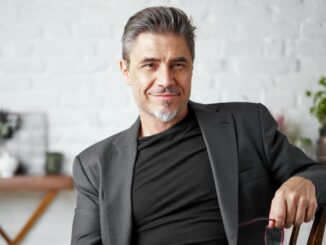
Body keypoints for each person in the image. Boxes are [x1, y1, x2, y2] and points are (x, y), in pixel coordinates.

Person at [71, 6, 326, 245]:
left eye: (178, 65)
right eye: (150, 65)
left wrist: (306, 181)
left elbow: (320, 175)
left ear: (192, 67)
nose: (166, 80)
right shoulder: (95, 166)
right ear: (125, 71)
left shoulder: (248, 124)